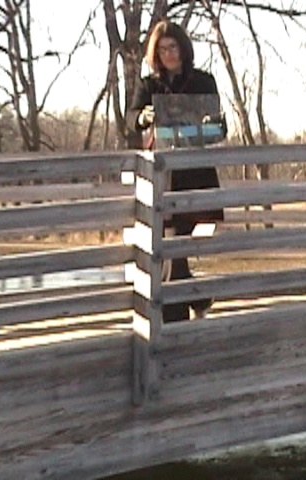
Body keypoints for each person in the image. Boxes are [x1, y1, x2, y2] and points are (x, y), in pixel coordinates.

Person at [128, 20, 224, 322]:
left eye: (173, 47)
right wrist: (144, 116)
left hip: (195, 174)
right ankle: (191, 304)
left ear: (183, 48)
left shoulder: (203, 81)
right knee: (170, 249)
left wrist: (209, 123)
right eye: (163, 49)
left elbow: (220, 125)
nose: (169, 54)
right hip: (164, 178)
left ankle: (178, 318)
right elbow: (131, 117)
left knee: (175, 248)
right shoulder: (149, 85)